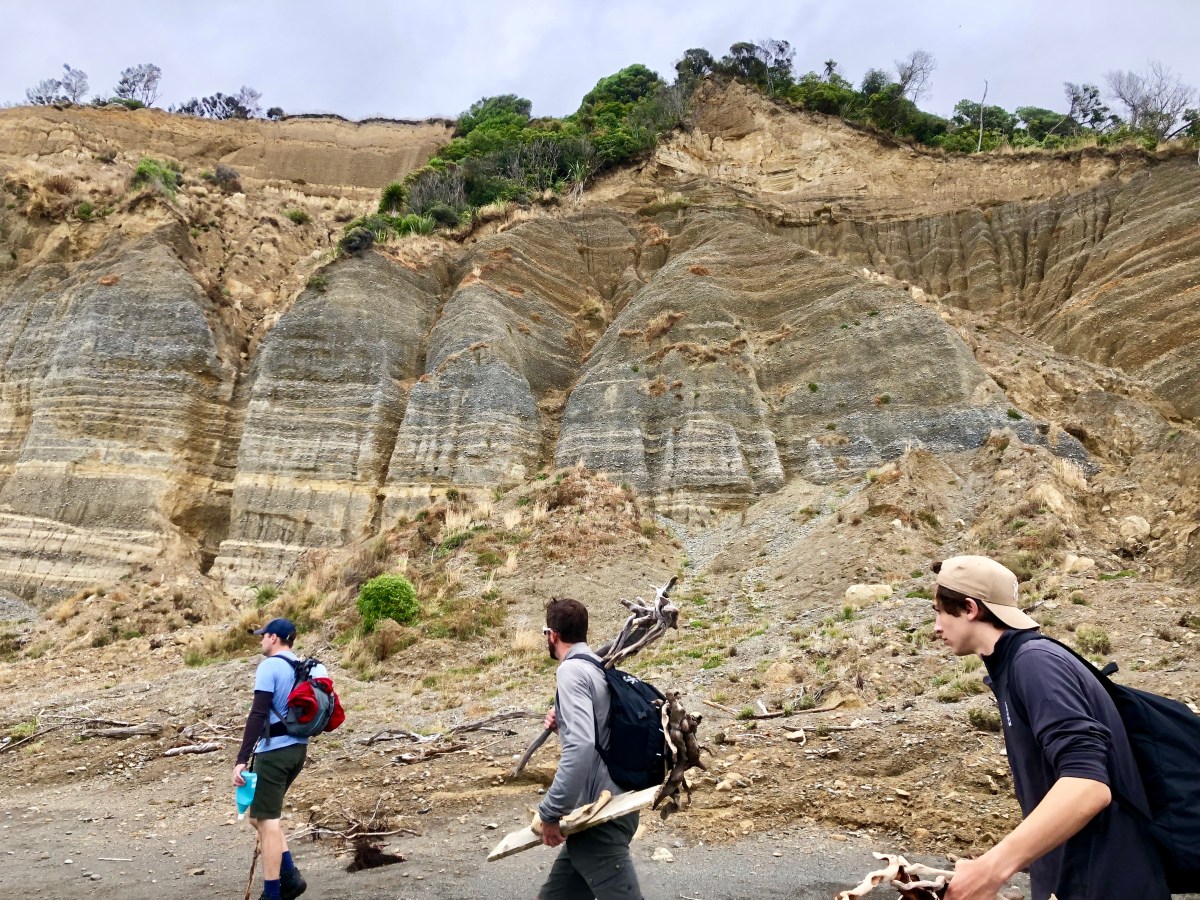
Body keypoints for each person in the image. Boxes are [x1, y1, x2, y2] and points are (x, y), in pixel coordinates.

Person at [931, 556, 1169, 900]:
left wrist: (990, 870)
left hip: (1105, 885)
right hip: (1077, 882)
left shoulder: (1035, 663)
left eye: (939, 611)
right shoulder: (1014, 666)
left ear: (969, 608)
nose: (936, 627)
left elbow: (1087, 785)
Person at [537, 598, 643, 900]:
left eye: (545, 633)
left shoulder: (570, 672)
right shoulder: (597, 667)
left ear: (552, 635)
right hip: (610, 805)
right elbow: (598, 732)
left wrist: (550, 812)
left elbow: (582, 747)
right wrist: (564, 724)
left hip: (599, 816)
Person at [232, 618, 324, 900]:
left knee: (267, 821)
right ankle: (290, 876)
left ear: (274, 638)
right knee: (258, 817)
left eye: (263, 636)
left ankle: (273, 893)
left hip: (274, 752)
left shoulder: (269, 667)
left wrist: (241, 759)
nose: (260, 640)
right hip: (298, 749)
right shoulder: (312, 667)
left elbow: (258, 714)